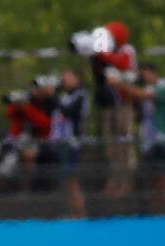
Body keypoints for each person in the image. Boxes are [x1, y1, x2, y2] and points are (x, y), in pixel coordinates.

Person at [113, 61, 165, 214]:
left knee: (162, 179)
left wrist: (120, 83)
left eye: (144, 74)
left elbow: (142, 94)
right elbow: (132, 97)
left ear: (150, 72)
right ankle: (155, 212)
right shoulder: (149, 87)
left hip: (162, 141)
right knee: (151, 180)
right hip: (149, 142)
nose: (142, 77)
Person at [86, 20, 137, 199]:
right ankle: (113, 182)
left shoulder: (125, 50)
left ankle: (126, 182)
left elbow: (122, 63)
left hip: (123, 103)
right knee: (111, 147)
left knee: (124, 144)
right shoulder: (102, 55)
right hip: (108, 104)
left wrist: (101, 54)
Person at [48, 68, 90, 217]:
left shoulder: (81, 95)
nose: (64, 79)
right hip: (61, 142)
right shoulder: (64, 96)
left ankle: (80, 213)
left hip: (74, 143)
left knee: (73, 180)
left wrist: (54, 97)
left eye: (68, 76)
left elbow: (70, 112)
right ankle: (72, 212)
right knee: (66, 180)